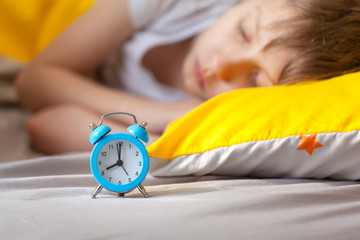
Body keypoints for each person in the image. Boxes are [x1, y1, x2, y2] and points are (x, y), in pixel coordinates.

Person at [15, 0, 360, 154]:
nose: (222, 66)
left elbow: (47, 125)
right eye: (242, 31)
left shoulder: (218, 120)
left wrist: (152, 146)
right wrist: (161, 114)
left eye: (256, 80)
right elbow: (34, 82)